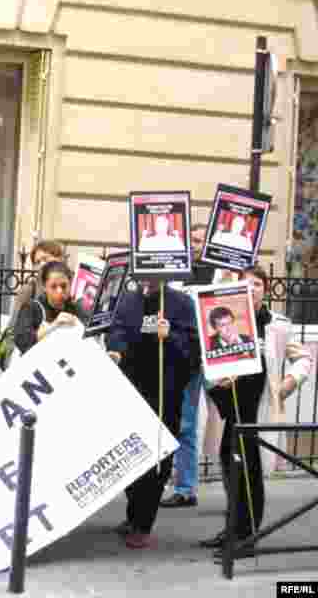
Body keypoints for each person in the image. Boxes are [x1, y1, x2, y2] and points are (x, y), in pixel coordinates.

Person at [200, 266, 312, 551]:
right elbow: (210, 361)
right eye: (245, 284)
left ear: (265, 288)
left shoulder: (277, 325)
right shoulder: (228, 322)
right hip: (230, 411)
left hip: (257, 412)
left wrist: (289, 383)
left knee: (251, 474)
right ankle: (234, 530)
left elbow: (303, 360)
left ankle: (247, 538)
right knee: (229, 467)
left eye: (258, 284)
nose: (252, 289)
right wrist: (218, 381)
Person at [107, 278, 199, 549]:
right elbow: (116, 332)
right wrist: (116, 350)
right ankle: (134, 513)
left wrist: (170, 335)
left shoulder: (181, 303)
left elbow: (194, 349)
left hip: (166, 392)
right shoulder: (127, 299)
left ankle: (143, 523)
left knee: (157, 458)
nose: (146, 278)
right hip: (131, 388)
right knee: (130, 453)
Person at [161, 223, 213, 509]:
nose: (197, 245)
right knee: (187, 423)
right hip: (190, 357)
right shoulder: (177, 274)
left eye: (201, 241)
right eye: (193, 239)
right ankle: (185, 488)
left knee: (234, 423)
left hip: (218, 356)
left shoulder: (220, 272)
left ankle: (238, 495)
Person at [0, 240, 65, 368]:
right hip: (36, 361)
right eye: (37, 262)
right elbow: (15, 330)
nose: (41, 265)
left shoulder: (72, 288)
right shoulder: (29, 290)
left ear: (59, 259)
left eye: (45, 259)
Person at [13, 261, 85, 355]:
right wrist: (53, 325)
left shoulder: (76, 308)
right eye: (53, 286)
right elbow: (22, 342)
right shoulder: (31, 307)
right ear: (44, 287)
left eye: (64, 286)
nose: (59, 291)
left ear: (70, 284)